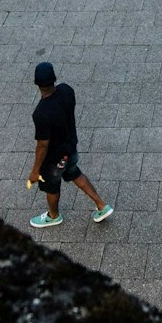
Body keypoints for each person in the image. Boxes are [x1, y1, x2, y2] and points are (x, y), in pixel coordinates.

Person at [26, 62, 112, 228]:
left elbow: (43, 145)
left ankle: (53, 216)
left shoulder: (41, 113)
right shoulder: (67, 90)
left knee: (51, 186)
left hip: (55, 159)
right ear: (54, 79)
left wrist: (35, 171)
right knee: (74, 174)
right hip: (70, 149)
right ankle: (101, 205)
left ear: (36, 83)